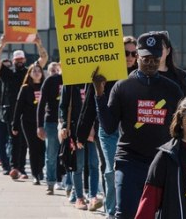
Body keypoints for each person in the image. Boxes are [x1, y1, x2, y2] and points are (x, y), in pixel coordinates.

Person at [93, 31, 184, 218]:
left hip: (162, 162)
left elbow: (182, 128)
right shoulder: (123, 86)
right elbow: (109, 126)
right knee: (125, 213)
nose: (150, 62)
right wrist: (99, 94)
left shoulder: (172, 89)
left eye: (155, 58)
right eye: (145, 58)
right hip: (130, 161)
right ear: (137, 57)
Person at [76, 35, 138, 218]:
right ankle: (112, 212)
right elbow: (88, 103)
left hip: (132, 131)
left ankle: (127, 208)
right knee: (111, 170)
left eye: (134, 53)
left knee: (130, 172)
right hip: (108, 129)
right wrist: (82, 132)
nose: (130, 57)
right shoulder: (104, 73)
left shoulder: (140, 75)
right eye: (126, 52)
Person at [0, 34, 48, 179]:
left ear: (25, 60)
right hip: (12, 113)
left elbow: (44, 59)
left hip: (29, 113)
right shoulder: (7, 74)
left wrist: (39, 44)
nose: (19, 62)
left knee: (25, 143)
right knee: (15, 141)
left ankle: (22, 169)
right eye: (17, 60)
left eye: (21, 59)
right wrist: (2, 44)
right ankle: (15, 167)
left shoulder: (30, 73)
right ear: (13, 61)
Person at [59, 83, 102, 211]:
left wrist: (94, 127)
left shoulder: (94, 81)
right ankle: (79, 197)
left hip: (93, 130)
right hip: (76, 131)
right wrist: (64, 126)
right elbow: (63, 107)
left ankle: (93, 196)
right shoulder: (70, 84)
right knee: (78, 165)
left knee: (94, 164)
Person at [12, 62, 46, 183]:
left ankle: (41, 169)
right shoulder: (25, 88)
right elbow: (18, 107)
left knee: (42, 147)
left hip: (43, 122)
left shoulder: (45, 86)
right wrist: (15, 124)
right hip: (28, 122)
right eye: (34, 71)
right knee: (33, 147)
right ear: (30, 74)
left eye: (39, 71)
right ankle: (35, 173)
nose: (37, 73)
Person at [37, 62, 63, 194]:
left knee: (69, 155)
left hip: (69, 123)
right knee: (51, 155)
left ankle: (68, 184)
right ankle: (51, 183)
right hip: (51, 122)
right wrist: (40, 126)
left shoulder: (74, 80)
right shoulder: (50, 80)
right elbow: (41, 104)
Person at [156, 31, 186, 96]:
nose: (157, 52)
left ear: (168, 51)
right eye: (154, 49)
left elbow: (185, 102)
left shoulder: (179, 77)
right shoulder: (142, 75)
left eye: (160, 49)